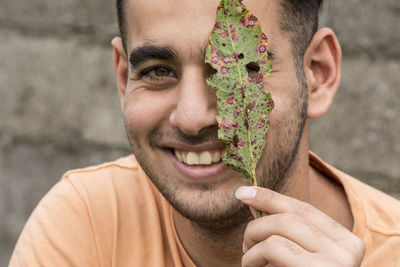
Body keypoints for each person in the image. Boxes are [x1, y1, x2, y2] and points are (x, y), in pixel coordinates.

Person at [10, 0, 400, 266]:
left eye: (238, 70)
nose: (192, 117)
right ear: (123, 77)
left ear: (318, 74)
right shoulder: (90, 222)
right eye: (159, 71)